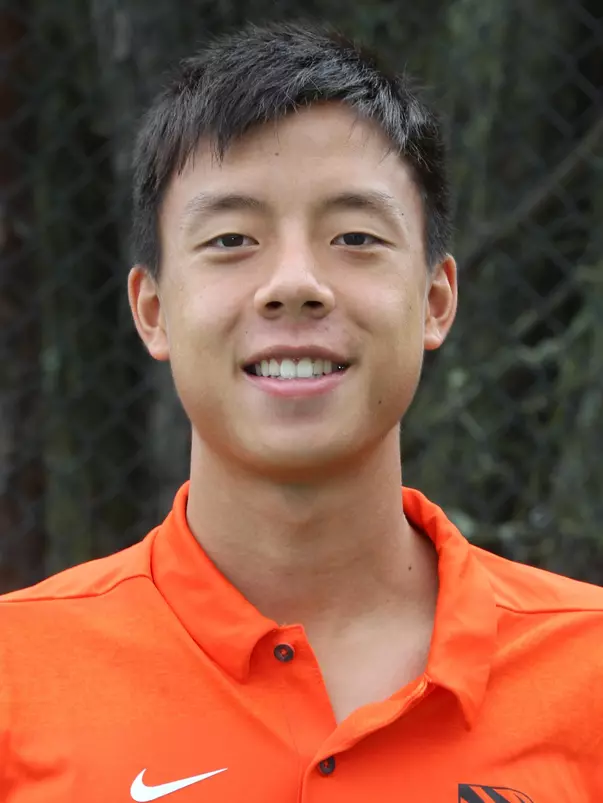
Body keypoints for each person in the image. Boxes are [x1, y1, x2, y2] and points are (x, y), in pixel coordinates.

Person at [1, 21, 602, 803]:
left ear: (434, 299)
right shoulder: (19, 676)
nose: (293, 282)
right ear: (152, 310)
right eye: (230, 239)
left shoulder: (585, 670)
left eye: (353, 236)